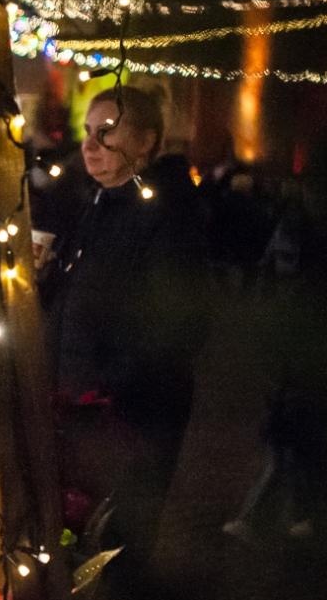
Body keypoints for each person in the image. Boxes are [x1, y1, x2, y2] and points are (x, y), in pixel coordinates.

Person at [39, 84, 207, 548]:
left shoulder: (168, 214)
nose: (90, 146)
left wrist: (108, 393)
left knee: (116, 544)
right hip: (76, 407)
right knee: (74, 540)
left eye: (108, 133)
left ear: (147, 140)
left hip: (126, 418)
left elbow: (176, 325)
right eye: (88, 132)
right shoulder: (98, 204)